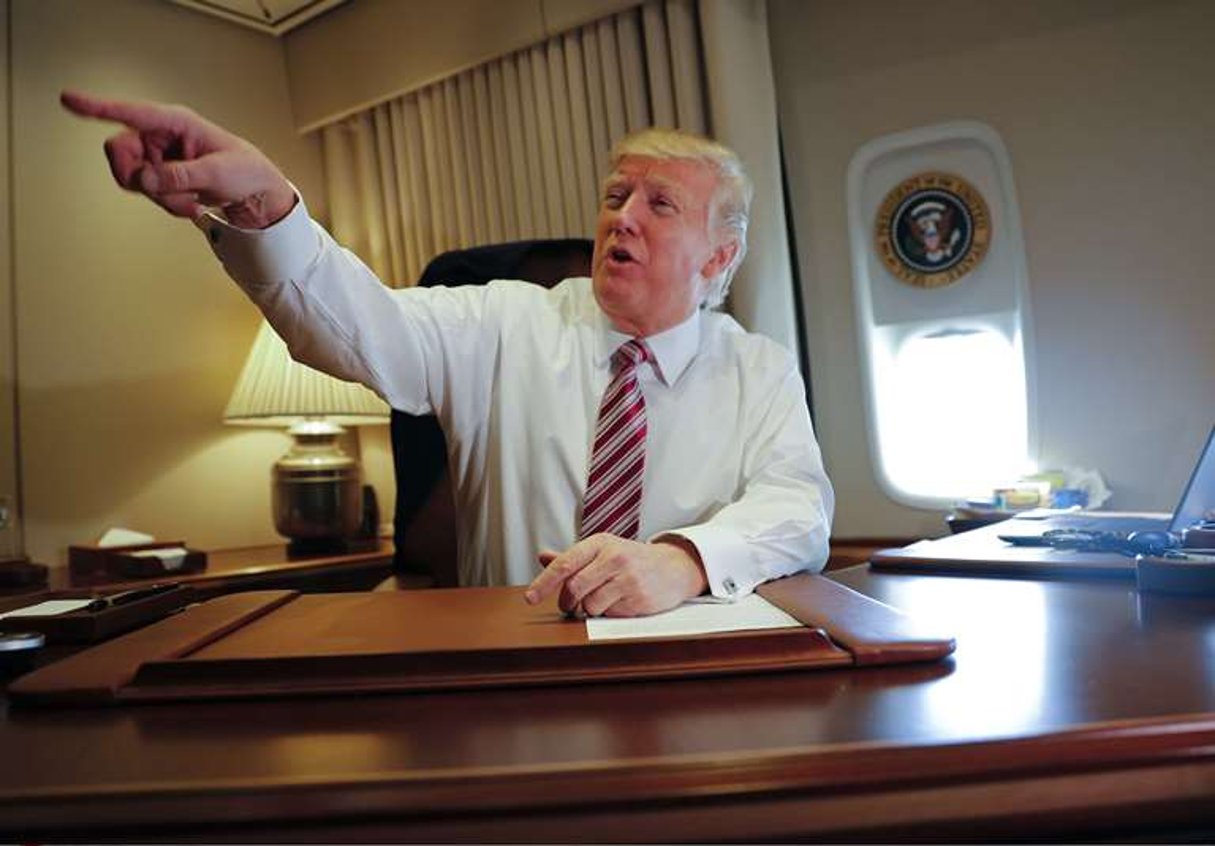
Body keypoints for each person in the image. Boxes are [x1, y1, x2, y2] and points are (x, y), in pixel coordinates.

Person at [61, 90, 834, 618]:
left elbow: (798, 510)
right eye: (613, 197)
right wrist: (261, 203)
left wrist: (683, 561)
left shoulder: (757, 368)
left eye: (657, 204)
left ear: (716, 260)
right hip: (507, 656)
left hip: (688, 666)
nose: (621, 219)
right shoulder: (501, 318)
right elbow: (353, 327)